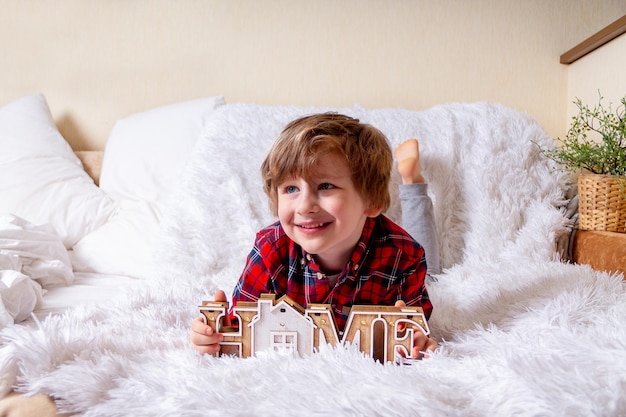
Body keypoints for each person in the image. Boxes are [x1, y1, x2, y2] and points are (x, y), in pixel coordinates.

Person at [190, 113, 438, 358]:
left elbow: (413, 328)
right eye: (291, 189)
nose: (304, 206)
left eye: (325, 186)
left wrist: (415, 339)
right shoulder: (270, 250)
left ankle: (412, 183)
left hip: (390, 243)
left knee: (436, 269)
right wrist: (210, 336)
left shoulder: (405, 255)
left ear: (371, 201)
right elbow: (240, 330)